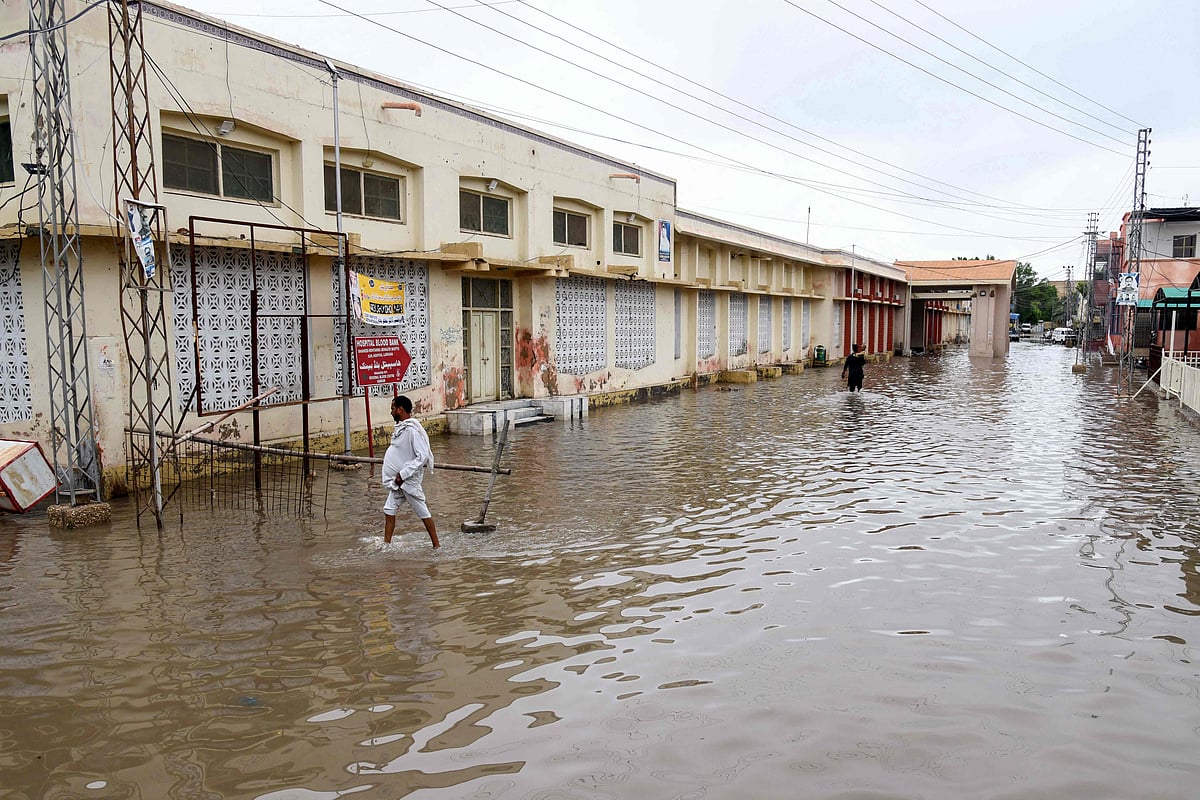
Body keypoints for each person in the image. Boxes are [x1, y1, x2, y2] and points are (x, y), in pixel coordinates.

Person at [382, 395, 440, 548]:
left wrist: (404, 474)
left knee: (423, 512)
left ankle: (436, 545)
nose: (391, 412)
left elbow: (422, 456)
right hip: (398, 482)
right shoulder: (402, 429)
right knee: (389, 509)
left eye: (393, 408)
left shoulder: (412, 431)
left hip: (407, 481)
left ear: (400, 409)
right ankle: (386, 545)